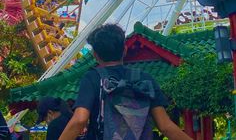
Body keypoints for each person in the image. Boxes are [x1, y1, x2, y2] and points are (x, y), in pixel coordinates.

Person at [59, 24, 193, 140]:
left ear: (95, 55)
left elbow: (80, 120)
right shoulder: (145, 79)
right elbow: (165, 126)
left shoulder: (92, 78)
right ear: (124, 50)